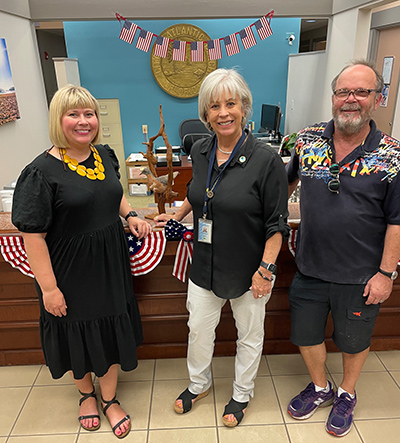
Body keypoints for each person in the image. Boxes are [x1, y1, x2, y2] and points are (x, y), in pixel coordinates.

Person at [12, 85, 152, 439]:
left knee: (109, 328)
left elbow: (113, 192)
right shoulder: (40, 173)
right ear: (59, 120)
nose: (83, 121)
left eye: (88, 113)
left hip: (110, 264)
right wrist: (49, 289)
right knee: (75, 331)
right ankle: (86, 395)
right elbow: (33, 237)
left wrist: (130, 213)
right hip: (68, 272)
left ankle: (109, 399)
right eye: (73, 114)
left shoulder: (104, 155)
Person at [155, 68, 289, 426]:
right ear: (205, 113)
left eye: (231, 103)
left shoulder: (266, 161)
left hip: (250, 268)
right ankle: (199, 383)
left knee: (249, 334)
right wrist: (176, 213)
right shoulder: (200, 149)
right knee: (198, 329)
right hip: (204, 265)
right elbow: (199, 193)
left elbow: (277, 224)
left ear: (244, 107)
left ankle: (242, 394)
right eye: (214, 106)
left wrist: (266, 271)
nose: (223, 113)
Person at [286, 60, 400, 437]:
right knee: (305, 335)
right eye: (343, 92)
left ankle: (347, 393)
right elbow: (281, 188)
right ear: (333, 97)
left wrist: (385, 274)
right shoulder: (306, 139)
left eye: (361, 92)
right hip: (309, 267)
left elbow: (397, 221)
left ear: (378, 99)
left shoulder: (393, 155)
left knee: (354, 340)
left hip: (361, 275)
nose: (350, 100)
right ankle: (321, 387)